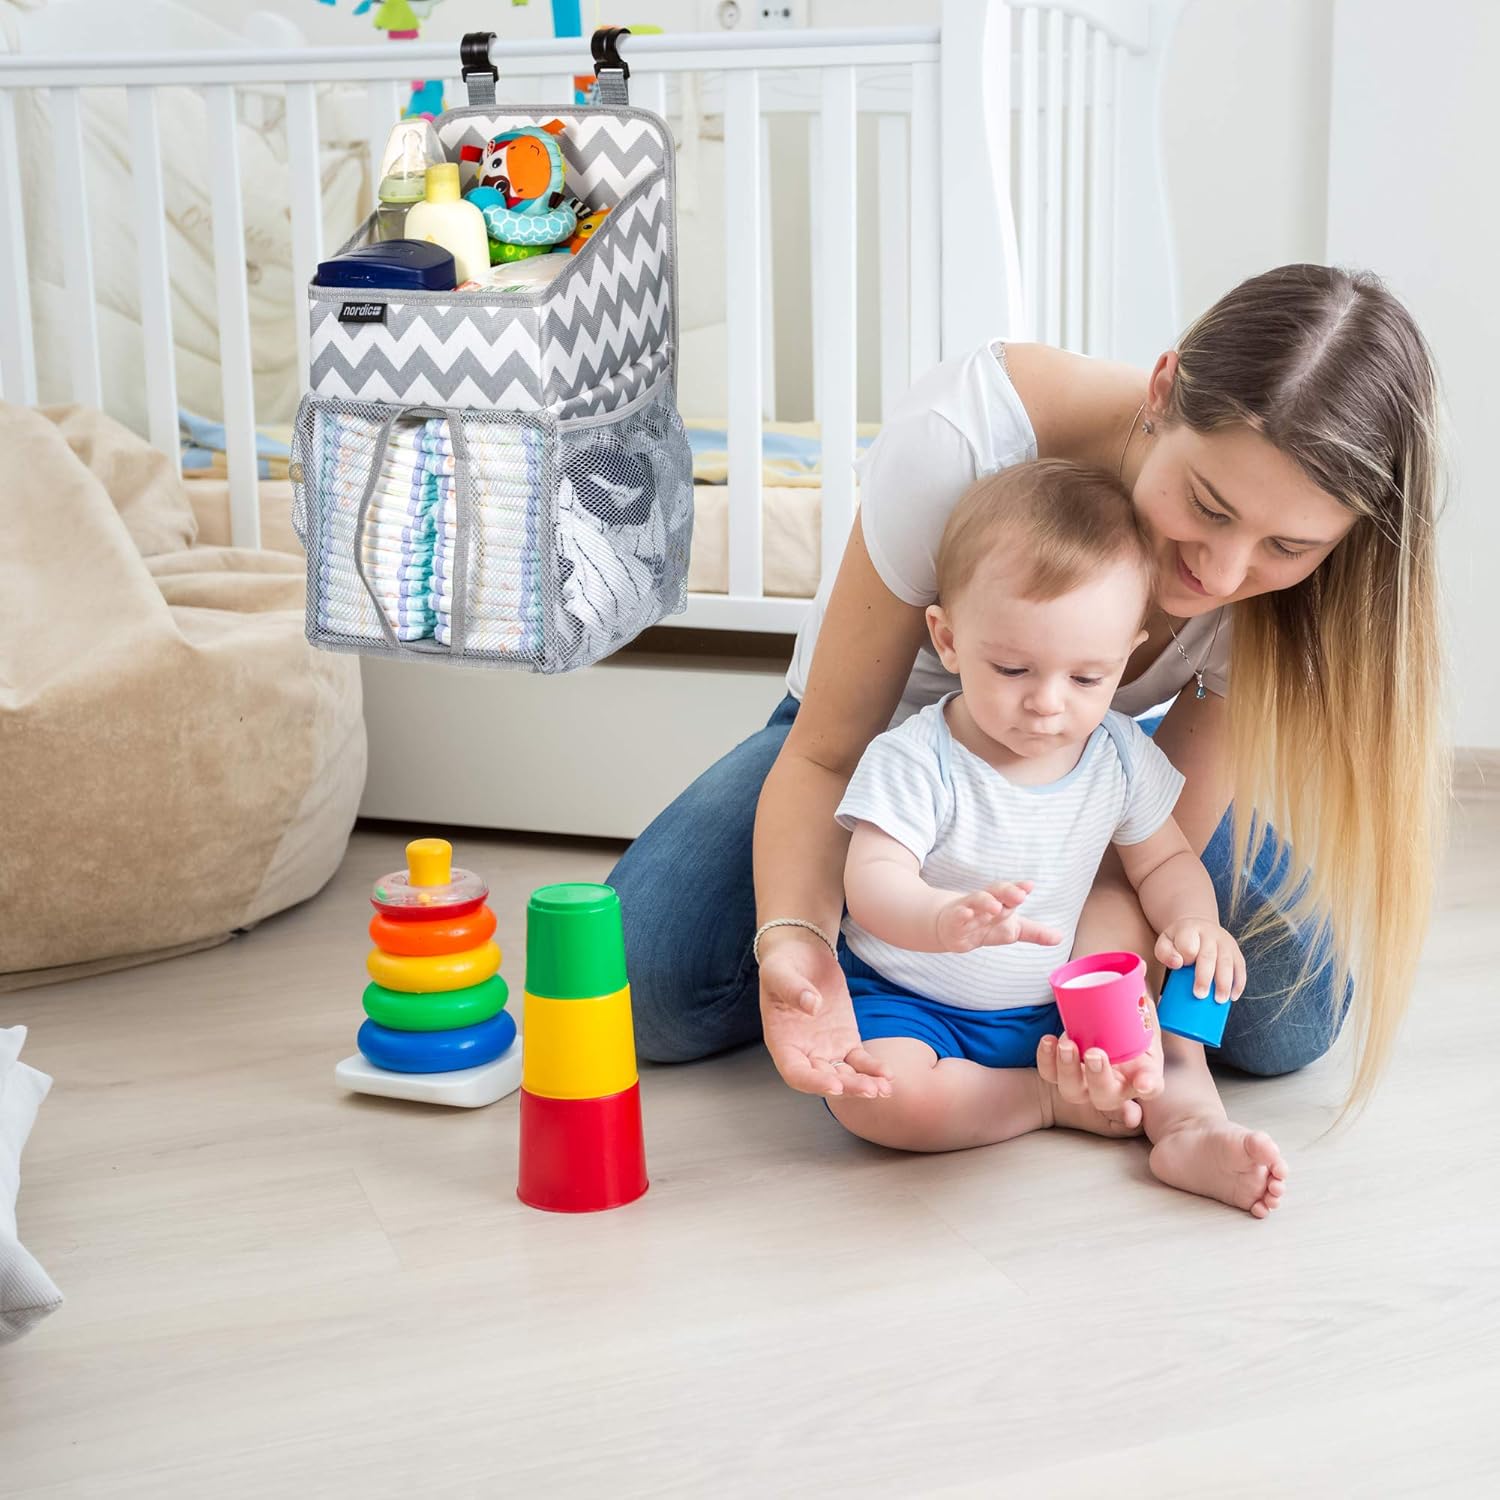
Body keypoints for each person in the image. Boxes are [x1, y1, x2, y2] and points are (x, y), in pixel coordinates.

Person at [608, 264, 1445, 1212]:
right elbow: (827, 752)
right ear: (1163, 392)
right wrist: (797, 941)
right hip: (881, 759)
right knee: (645, 984)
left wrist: (1103, 1010)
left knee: (1293, 1020)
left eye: (1286, 548)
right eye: (1208, 508)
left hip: (1101, 780)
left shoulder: (1295, 588)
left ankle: (1121, 1089)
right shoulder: (965, 437)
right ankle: (885, 981)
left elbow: (1140, 863)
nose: (1222, 572)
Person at [828, 458, 1287, 1214]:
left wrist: (1194, 923)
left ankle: (1194, 1132)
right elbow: (870, 877)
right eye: (1012, 668)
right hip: (914, 1005)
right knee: (875, 1093)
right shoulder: (917, 758)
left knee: (1162, 1038)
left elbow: (1164, 859)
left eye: (1085, 679)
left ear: (1127, 656)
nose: (1047, 704)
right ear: (946, 638)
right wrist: (937, 918)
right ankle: (1043, 1103)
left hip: (1057, 1004)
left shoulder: (1115, 755)